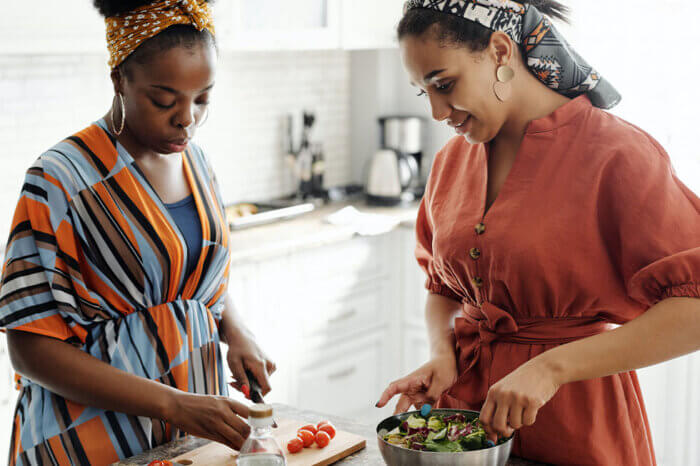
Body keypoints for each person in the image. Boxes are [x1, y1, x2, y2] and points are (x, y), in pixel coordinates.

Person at [376, 1, 700, 464]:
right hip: (467, 421)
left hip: (576, 421)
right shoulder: (451, 161)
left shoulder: (617, 154)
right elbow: (442, 287)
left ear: (501, 51)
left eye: (444, 85)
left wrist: (551, 368)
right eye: (422, 92)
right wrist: (442, 354)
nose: (436, 112)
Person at [0, 1, 275, 464]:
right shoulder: (61, 179)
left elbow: (192, 274)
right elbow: (30, 349)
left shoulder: (196, 161)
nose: (187, 118)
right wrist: (172, 402)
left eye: (202, 98)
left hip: (186, 433)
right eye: (165, 100)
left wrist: (236, 329)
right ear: (119, 79)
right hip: (88, 439)